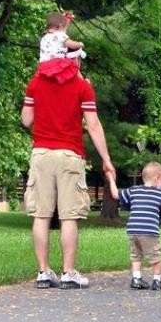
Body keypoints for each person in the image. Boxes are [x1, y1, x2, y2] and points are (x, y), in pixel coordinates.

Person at [21, 57, 115, 290]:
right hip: (70, 155)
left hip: (41, 154)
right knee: (68, 216)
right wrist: (106, 160)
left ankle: (43, 272)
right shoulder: (82, 87)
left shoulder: (35, 83)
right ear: (75, 62)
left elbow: (26, 120)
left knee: (41, 215)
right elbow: (93, 125)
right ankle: (68, 272)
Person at [109, 161, 161, 290]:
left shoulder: (134, 190)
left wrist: (110, 178)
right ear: (157, 178)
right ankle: (157, 280)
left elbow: (115, 195)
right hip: (149, 231)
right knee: (157, 255)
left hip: (133, 230)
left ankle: (136, 279)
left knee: (136, 254)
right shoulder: (159, 193)